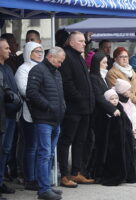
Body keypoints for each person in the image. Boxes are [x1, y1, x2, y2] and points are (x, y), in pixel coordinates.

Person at [26, 46, 66, 200]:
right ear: (50, 56)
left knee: (48, 155)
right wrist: (48, 106)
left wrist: (62, 108)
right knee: (44, 154)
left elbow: (60, 95)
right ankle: (43, 189)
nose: (60, 64)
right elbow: (32, 93)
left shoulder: (56, 73)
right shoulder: (38, 70)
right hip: (44, 119)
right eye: (59, 61)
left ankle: (46, 186)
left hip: (56, 119)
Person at [58, 31, 95, 188]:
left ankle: (76, 172)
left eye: (84, 41)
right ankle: (65, 174)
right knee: (67, 141)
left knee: (81, 140)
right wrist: (81, 99)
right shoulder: (66, 56)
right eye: (80, 41)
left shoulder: (79, 56)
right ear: (71, 42)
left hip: (85, 108)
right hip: (73, 109)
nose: (84, 43)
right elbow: (67, 84)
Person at [15, 41, 44, 191]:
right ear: (28, 53)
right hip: (28, 113)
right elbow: (25, 90)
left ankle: (40, 178)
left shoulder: (43, 68)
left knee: (41, 148)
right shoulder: (23, 69)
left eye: (41, 51)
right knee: (31, 146)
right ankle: (30, 179)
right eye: (36, 51)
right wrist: (43, 97)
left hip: (43, 113)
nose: (40, 53)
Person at [89, 52, 120, 182]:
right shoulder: (94, 77)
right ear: (97, 64)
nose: (106, 65)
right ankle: (94, 171)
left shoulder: (102, 77)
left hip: (104, 114)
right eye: (104, 63)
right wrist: (112, 109)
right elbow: (99, 97)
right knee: (97, 145)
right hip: (97, 115)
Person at [100, 88, 136, 186]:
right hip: (112, 142)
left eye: (116, 98)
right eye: (112, 99)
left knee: (127, 157)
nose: (115, 101)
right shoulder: (106, 112)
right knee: (114, 159)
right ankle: (115, 175)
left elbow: (128, 123)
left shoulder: (120, 109)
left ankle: (128, 175)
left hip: (124, 140)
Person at [0, 38, 22, 194]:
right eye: (6, 48)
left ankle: (1, 181)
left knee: (6, 150)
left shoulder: (7, 68)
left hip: (10, 115)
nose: (10, 50)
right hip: (2, 116)